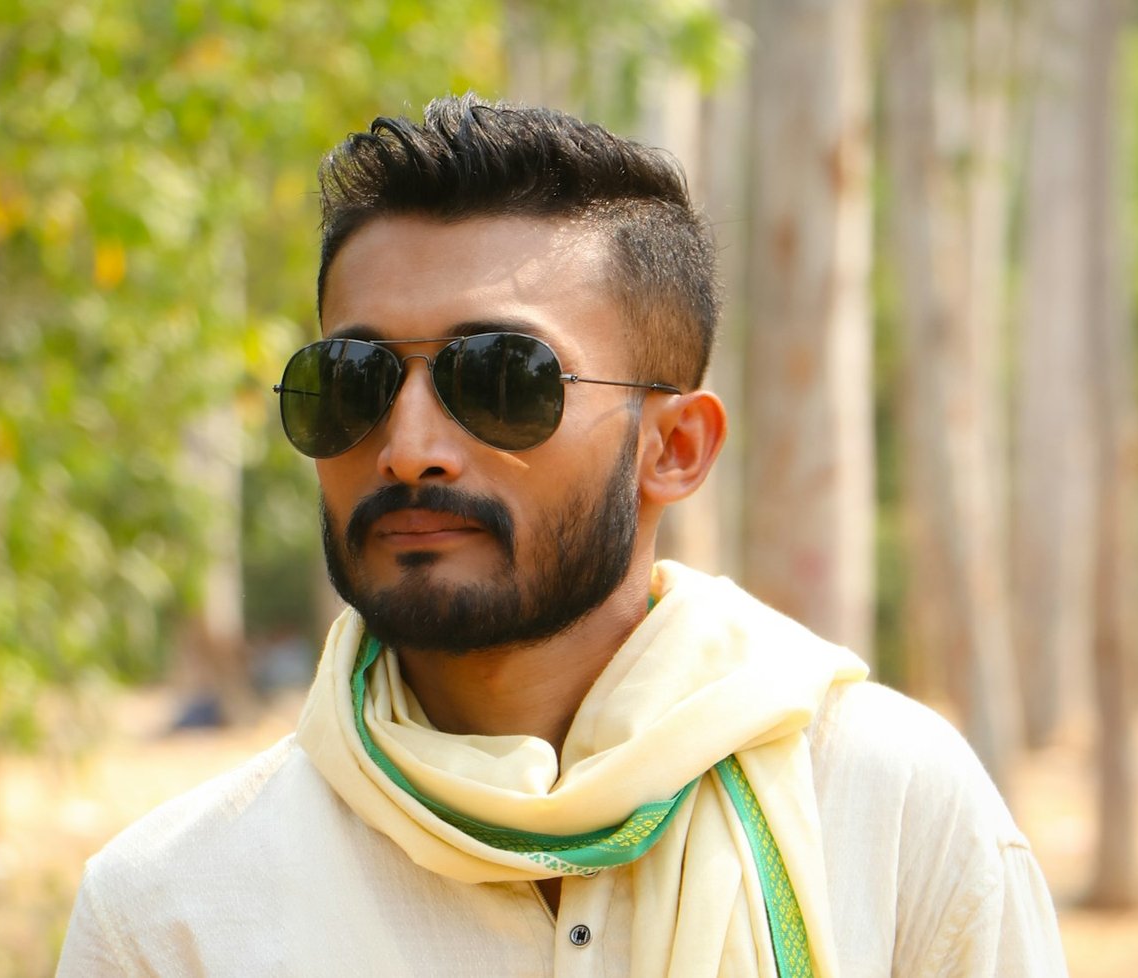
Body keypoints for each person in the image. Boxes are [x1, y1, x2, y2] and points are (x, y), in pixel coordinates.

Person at [56, 95, 1068, 977]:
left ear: (673, 447)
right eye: (354, 381)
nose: (408, 449)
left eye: (500, 379)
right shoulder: (174, 913)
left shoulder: (893, 815)